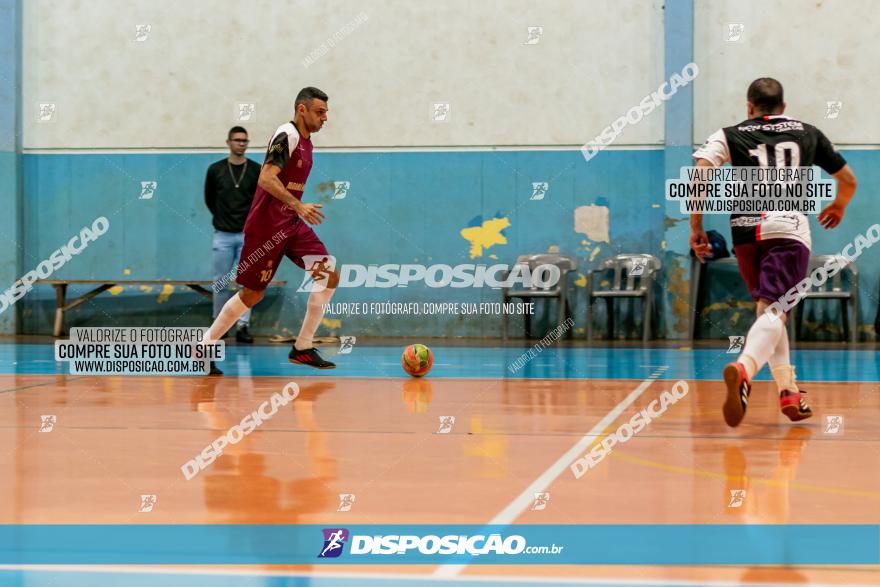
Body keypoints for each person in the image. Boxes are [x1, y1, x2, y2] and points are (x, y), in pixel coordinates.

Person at [690, 77, 858, 427]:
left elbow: (701, 173)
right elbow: (849, 180)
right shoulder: (808, 133)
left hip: (745, 232)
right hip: (787, 228)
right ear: (783, 107)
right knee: (776, 310)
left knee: (769, 310)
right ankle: (744, 369)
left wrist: (696, 226)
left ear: (749, 106)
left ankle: (788, 391)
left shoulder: (729, 133)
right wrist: (839, 205)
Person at [203, 87, 337, 375]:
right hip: (266, 227)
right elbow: (265, 178)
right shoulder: (286, 134)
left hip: (290, 224)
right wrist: (298, 205)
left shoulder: (307, 142)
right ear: (302, 109)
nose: (325, 117)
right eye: (320, 111)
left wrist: (295, 210)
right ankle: (205, 345)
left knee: (328, 273)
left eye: (326, 112)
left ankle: (302, 347)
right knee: (252, 295)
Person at [204, 126, 260, 343]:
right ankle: (220, 326)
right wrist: (223, 219)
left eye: (244, 140)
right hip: (223, 235)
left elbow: (259, 202)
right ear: (228, 142)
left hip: (248, 236)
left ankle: (243, 327)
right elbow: (210, 199)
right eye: (237, 140)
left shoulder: (255, 170)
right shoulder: (215, 170)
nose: (241, 144)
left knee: (247, 283)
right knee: (220, 282)